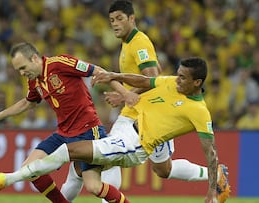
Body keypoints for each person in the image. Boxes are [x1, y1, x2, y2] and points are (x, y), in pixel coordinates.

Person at [0, 57, 229, 203]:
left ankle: (9, 178)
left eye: (183, 78)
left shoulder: (199, 112)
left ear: (197, 83)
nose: (177, 80)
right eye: (178, 75)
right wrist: (114, 76)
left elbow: (210, 150)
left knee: (67, 154)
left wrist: (211, 192)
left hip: (136, 147)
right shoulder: (171, 84)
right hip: (128, 131)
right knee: (86, 173)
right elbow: (143, 81)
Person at [62, 1, 230, 202]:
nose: (114, 24)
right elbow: (153, 73)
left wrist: (125, 94)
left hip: (144, 113)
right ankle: (216, 174)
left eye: (120, 19)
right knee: (163, 169)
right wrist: (123, 94)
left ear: (132, 18)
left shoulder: (139, 42)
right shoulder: (128, 43)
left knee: (110, 157)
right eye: (111, 20)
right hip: (146, 111)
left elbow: (151, 75)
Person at [0, 42, 136, 203]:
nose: (22, 73)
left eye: (23, 68)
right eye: (19, 70)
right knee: (29, 169)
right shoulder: (35, 81)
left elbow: (98, 71)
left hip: (88, 131)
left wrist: (125, 93)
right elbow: (28, 102)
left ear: (34, 58)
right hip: (63, 133)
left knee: (94, 187)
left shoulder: (59, 64)